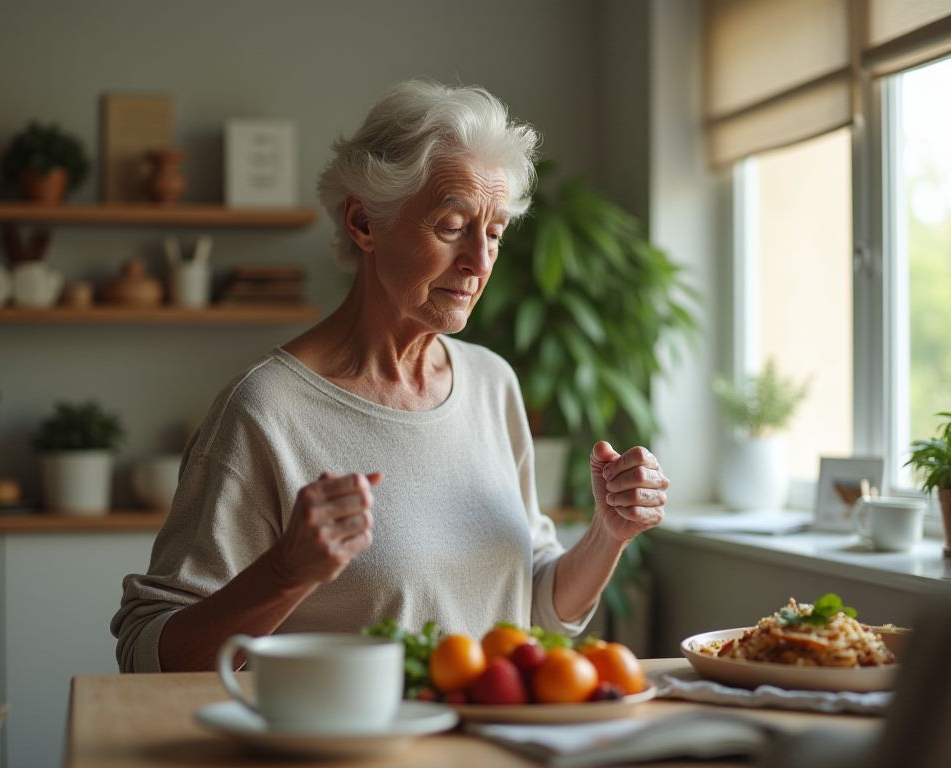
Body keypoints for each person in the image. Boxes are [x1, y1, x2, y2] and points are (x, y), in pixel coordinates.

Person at [111, 79, 669, 673]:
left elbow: (533, 608)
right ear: (364, 223)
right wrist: (286, 573)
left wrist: (608, 535)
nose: (480, 263)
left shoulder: (492, 384)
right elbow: (149, 653)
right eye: (452, 227)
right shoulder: (266, 409)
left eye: (495, 233)